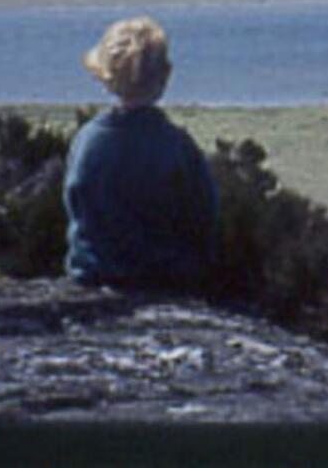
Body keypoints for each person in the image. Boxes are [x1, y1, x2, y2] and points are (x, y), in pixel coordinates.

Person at [64, 16, 218, 291]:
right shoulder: (177, 146)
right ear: (166, 74)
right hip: (166, 278)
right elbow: (204, 217)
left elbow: (75, 203)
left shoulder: (87, 140)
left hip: (93, 273)